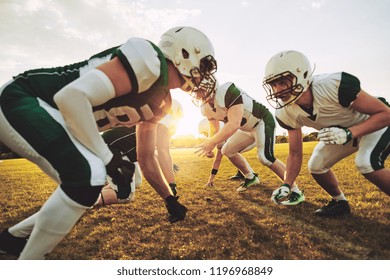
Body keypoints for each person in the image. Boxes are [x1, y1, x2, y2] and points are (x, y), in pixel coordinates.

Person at [0, 26, 217, 259]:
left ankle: (12, 238)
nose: (203, 76)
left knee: (87, 187)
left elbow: (146, 156)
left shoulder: (162, 101)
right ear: (183, 53)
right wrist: (106, 156)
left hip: (59, 120)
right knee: (88, 176)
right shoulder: (149, 59)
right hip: (25, 99)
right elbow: (70, 97)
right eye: (203, 66)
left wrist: (168, 199)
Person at [262, 50, 390, 217]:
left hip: (374, 122)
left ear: (303, 74)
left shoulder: (333, 85)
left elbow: (385, 114)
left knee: (366, 162)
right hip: (342, 133)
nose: (278, 90)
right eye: (273, 84)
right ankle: (339, 202)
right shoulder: (285, 112)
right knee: (316, 165)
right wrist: (287, 184)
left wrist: (349, 133)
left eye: (283, 82)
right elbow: (294, 153)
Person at [194, 81, 304, 203]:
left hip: (262, 121)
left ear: (211, 87)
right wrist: (211, 143)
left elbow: (234, 124)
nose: (198, 95)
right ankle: (250, 177)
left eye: (200, 91)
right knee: (227, 150)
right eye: (196, 92)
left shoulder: (227, 91)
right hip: (245, 129)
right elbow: (214, 129)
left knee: (265, 157)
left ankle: (295, 190)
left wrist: (211, 142)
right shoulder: (205, 107)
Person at [95, 99, 183, 205]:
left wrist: (169, 166)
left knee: (136, 181)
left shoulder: (149, 116)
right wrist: (171, 185)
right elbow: (163, 152)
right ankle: (82, 200)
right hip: (113, 148)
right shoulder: (163, 122)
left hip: (117, 147)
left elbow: (150, 153)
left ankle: (99, 191)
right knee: (124, 194)